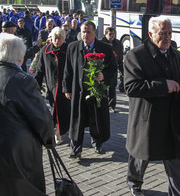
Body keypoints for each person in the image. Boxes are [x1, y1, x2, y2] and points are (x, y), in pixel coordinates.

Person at [0, 32, 55, 196]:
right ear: (20, 55)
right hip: (16, 150)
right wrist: (49, 140)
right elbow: (42, 118)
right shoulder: (22, 80)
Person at [124, 16, 180, 196]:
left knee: (175, 162)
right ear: (150, 33)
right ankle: (134, 182)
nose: (167, 37)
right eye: (162, 33)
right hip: (147, 121)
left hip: (171, 121)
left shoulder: (176, 55)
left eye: (170, 33)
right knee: (140, 156)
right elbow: (131, 87)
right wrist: (163, 85)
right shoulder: (136, 55)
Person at [63, 21, 117, 158]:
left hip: (97, 90)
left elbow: (112, 68)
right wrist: (67, 89)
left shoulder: (105, 48)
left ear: (95, 33)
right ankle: (76, 148)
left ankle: (97, 142)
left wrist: (103, 75)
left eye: (88, 32)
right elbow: (68, 70)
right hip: (78, 90)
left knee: (96, 118)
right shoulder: (73, 47)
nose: (85, 34)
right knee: (77, 119)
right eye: (83, 31)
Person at [35, 27, 71, 145]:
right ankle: (56, 132)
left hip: (65, 87)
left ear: (64, 39)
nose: (57, 40)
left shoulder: (68, 50)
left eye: (60, 38)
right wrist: (36, 86)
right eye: (55, 38)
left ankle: (58, 133)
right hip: (51, 87)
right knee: (54, 108)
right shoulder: (46, 50)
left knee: (62, 110)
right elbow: (40, 70)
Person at [101, 27, 124, 113]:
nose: (112, 36)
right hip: (103, 68)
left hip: (113, 68)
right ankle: (103, 105)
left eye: (113, 34)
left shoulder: (118, 43)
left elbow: (120, 58)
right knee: (103, 88)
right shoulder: (101, 43)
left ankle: (111, 106)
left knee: (112, 88)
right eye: (110, 34)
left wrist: (123, 72)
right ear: (105, 34)